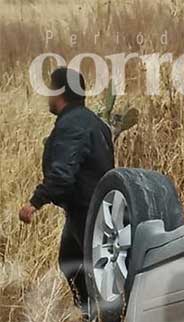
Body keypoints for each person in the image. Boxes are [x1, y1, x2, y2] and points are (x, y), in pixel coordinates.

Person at [18, 67, 114, 309]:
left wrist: (34, 202)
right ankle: (89, 320)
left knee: (94, 274)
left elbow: (62, 175)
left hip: (88, 211)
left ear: (59, 92)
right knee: (71, 261)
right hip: (91, 208)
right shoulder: (95, 123)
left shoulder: (71, 125)